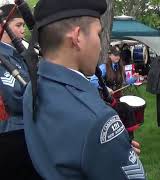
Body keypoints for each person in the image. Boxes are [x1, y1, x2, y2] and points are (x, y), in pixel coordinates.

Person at [22, 0, 145, 179]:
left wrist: (109, 149)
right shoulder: (98, 119)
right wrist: (111, 147)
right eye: (98, 34)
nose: (101, 45)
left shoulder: (32, 88)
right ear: (77, 37)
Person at [0, 4, 41, 179]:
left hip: (29, 131)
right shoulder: (3, 58)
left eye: (23, 25)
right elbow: (16, 98)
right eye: (18, 25)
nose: (23, 30)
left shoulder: (18, 54)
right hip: (14, 136)